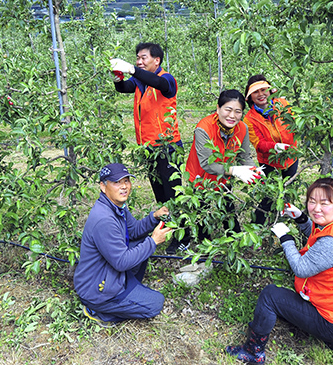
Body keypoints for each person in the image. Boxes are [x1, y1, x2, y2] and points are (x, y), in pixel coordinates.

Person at [226, 178, 333, 363]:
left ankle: (253, 351)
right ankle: (330, 337)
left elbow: (301, 268)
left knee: (270, 296)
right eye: (312, 201)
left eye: (325, 203)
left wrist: (285, 238)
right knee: (283, 302)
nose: (316, 208)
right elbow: (316, 239)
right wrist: (299, 217)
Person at [74, 163, 173, 327]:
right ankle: (99, 311)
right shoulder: (104, 219)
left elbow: (134, 231)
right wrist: (153, 241)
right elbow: (121, 262)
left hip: (110, 275)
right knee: (156, 304)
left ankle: (129, 288)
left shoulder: (116, 206)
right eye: (117, 182)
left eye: (126, 181)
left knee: (141, 241)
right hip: (96, 289)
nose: (124, 186)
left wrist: (154, 217)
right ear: (103, 186)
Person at [183, 89, 263, 244]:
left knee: (228, 209)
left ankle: (234, 243)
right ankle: (204, 247)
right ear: (218, 108)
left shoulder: (242, 128)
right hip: (201, 177)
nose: (232, 116)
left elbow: (244, 156)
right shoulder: (203, 128)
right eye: (228, 109)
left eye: (238, 111)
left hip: (224, 177)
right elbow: (207, 163)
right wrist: (234, 170)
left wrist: (256, 173)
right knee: (202, 213)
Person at [111, 43, 182, 204]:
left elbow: (159, 83)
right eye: (137, 58)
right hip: (148, 147)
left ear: (157, 61)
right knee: (159, 194)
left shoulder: (166, 79)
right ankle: (165, 226)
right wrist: (117, 79)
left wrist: (132, 70)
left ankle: (181, 228)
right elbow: (125, 87)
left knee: (173, 194)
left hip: (167, 147)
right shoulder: (139, 81)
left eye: (144, 58)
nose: (139, 62)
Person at [243, 74, 298, 224]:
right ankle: (257, 224)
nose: (261, 94)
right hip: (269, 161)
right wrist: (276, 147)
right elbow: (259, 144)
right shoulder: (249, 118)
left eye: (263, 90)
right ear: (249, 97)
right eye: (256, 92)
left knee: (287, 190)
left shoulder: (282, 103)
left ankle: (281, 220)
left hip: (290, 157)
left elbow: (295, 123)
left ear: (270, 90)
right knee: (269, 195)